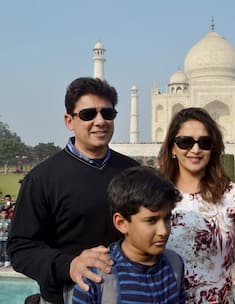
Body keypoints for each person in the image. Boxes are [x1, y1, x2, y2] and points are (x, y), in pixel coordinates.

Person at [7, 77, 140, 303]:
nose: (100, 121)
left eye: (107, 114)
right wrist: (69, 265)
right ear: (69, 121)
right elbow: (21, 248)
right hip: (64, 297)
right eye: (88, 114)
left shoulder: (132, 172)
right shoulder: (43, 179)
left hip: (128, 295)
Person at [158, 107, 235, 304]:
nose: (195, 150)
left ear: (213, 148)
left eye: (204, 143)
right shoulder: (156, 194)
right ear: (172, 147)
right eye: (185, 142)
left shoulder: (231, 195)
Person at [68, 166, 185, 303]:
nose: (163, 231)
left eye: (166, 218)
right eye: (151, 220)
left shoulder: (174, 264)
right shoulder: (97, 277)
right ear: (121, 223)